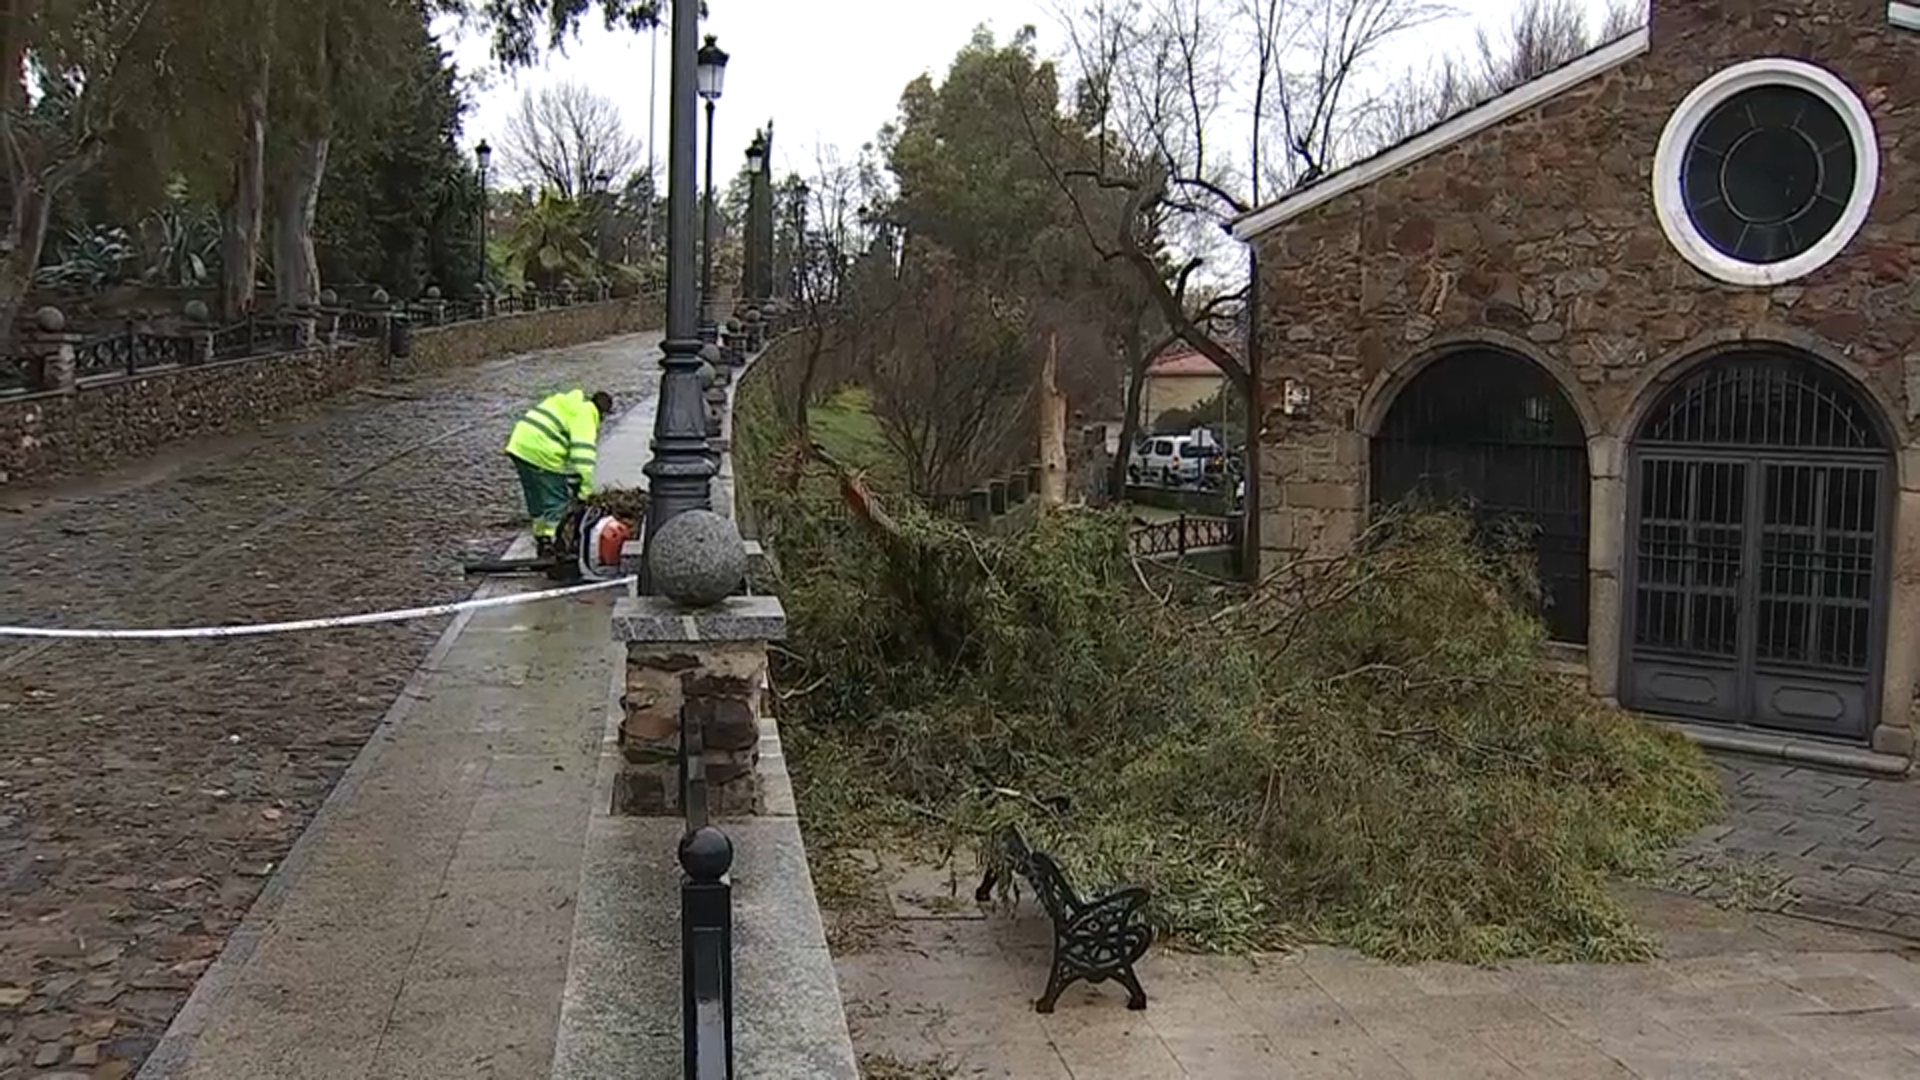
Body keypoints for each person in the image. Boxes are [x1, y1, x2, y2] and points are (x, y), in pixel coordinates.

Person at [505, 388, 613, 554]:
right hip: (541, 450)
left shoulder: (569, 404)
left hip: (520, 446)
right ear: (602, 413)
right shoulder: (587, 414)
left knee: (535, 495)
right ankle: (555, 544)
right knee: (556, 501)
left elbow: (570, 464)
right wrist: (585, 492)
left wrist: (575, 483)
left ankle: (541, 537)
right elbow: (582, 458)